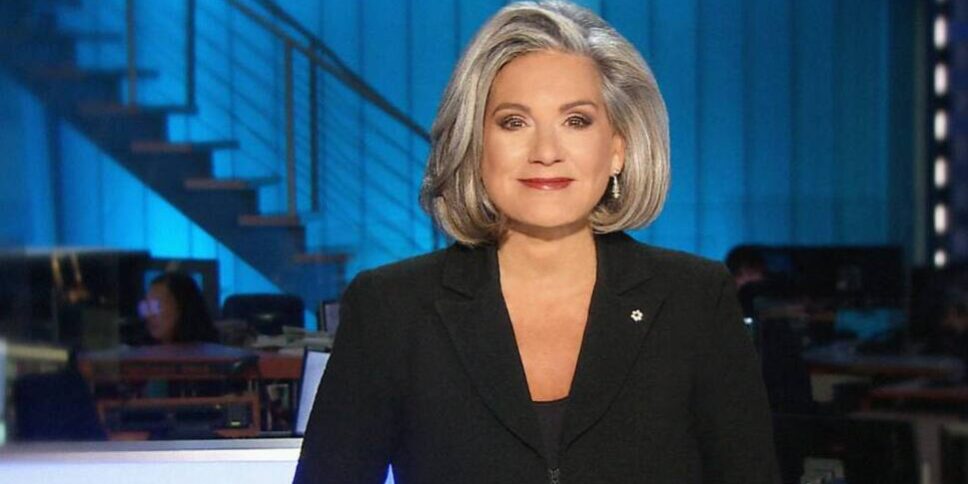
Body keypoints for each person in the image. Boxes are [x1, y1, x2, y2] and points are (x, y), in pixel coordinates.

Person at [295, 2, 779, 483]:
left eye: (576, 121)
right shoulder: (391, 308)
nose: (546, 152)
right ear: (475, 146)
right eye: (514, 122)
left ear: (618, 148)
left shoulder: (695, 299)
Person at [139, 272, 219, 344]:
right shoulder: (139, 350)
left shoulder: (214, 352)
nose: (149, 315)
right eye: (147, 306)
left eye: (157, 306)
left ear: (182, 307)